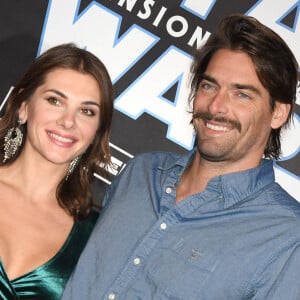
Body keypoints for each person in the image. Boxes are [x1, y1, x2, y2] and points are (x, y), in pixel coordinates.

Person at [62, 14, 300, 300]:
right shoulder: (142, 171)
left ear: (278, 113)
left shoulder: (286, 236)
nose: (216, 106)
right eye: (209, 86)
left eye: (242, 95)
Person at [0, 43, 113, 299]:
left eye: (86, 111)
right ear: (24, 106)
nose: (68, 121)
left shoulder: (93, 237)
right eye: (55, 101)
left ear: (96, 131)